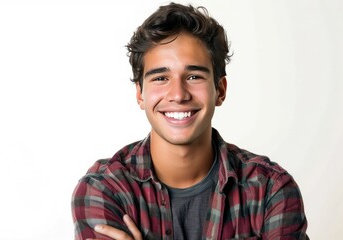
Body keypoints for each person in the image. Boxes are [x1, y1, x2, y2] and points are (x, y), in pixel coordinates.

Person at [71, 2, 309, 239]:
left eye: (194, 76)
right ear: (140, 94)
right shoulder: (105, 190)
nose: (178, 94)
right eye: (161, 77)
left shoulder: (270, 190)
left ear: (220, 90)